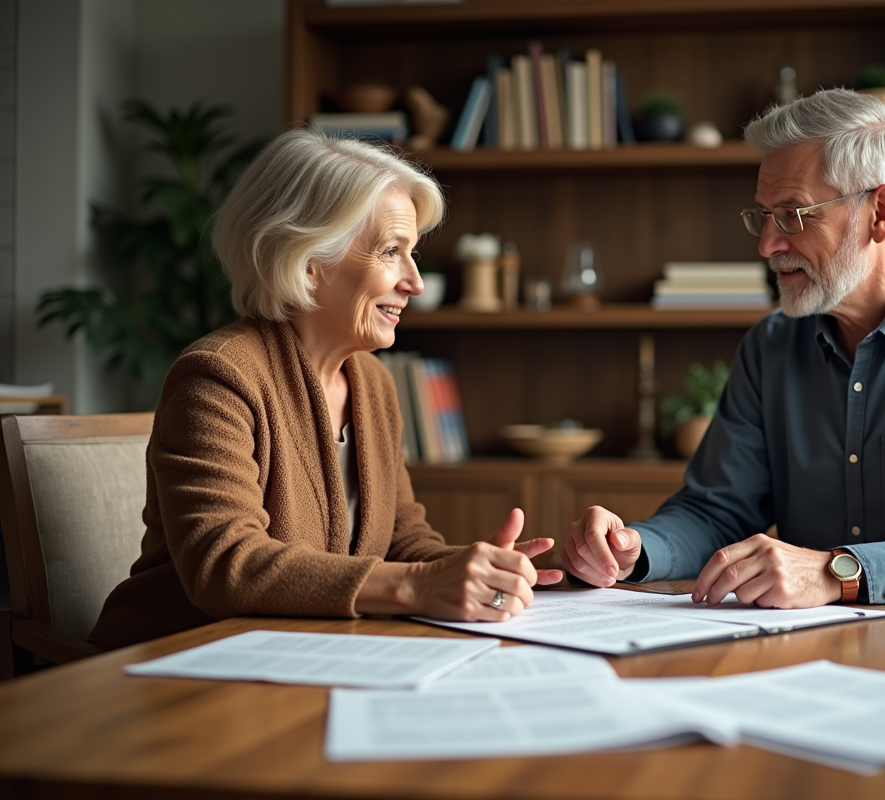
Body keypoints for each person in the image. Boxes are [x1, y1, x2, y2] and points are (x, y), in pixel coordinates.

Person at [562, 88, 885, 608]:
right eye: (762, 216)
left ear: (881, 212)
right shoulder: (770, 346)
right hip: (815, 650)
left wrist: (842, 572)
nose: (767, 244)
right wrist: (636, 548)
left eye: (793, 214)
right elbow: (716, 512)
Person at [89, 129, 561, 650]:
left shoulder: (373, 383)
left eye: (414, 254)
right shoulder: (216, 377)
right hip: (177, 664)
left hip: (301, 654)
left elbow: (403, 542)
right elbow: (225, 564)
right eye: (390, 252)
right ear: (309, 264)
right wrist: (421, 586)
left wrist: (501, 570)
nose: (415, 282)